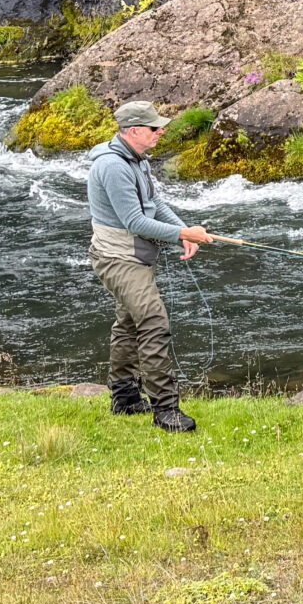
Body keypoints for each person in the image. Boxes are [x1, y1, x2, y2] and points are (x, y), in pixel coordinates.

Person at [85, 99, 218, 432]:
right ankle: (167, 411)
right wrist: (183, 232)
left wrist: (182, 233)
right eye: (155, 128)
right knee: (154, 322)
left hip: (136, 257)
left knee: (129, 324)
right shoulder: (113, 166)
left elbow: (154, 203)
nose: (162, 131)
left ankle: (125, 399)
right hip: (118, 259)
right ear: (133, 131)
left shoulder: (137, 159)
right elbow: (135, 222)